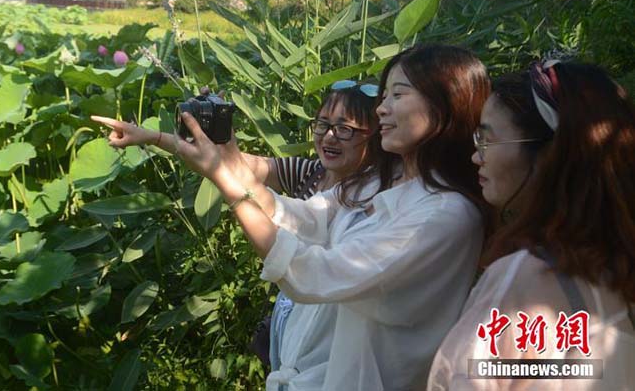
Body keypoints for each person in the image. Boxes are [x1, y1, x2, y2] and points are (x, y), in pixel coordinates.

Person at [99, 43, 490, 390]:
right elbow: (300, 216)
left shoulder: (444, 216)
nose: (383, 108)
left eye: (398, 95)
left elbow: (318, 273)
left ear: (445, 107)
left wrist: (225, 181)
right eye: (384, 95)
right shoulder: (381, 184)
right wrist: (222, 157)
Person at [92, 81, 380, 368]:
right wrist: (153, 136)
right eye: (323, 124)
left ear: (376, 135)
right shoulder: (310, 172)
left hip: (330, 335)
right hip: (292, 318)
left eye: (344, 129)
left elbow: (229, 171)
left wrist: (219, 168)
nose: (329, 136)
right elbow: (237, 165)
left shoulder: (369, 200)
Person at [427, 61, 635, 390]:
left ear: (549, 155)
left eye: (486, 139)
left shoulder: (524, 276)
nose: (476, 157)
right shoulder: (615, 275)